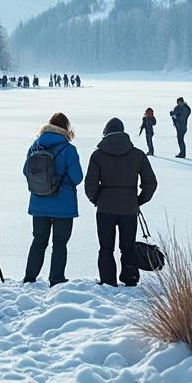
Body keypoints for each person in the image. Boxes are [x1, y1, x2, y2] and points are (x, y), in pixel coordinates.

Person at [84, 118, 158, 287]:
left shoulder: (97, 155)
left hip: (105, 209)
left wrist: (97, 200)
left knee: (106, 247)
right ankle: (130, 277)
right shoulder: (137, 154)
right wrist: (139, 200)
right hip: (129, 208)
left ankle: (108, 280)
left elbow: (90, 185)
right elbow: (151, 183)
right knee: (128, 246)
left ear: (105, 133)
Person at [22, 112, 84, 286]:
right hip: (63, 205)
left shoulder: (35, 146)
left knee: (38, 241)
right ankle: (56, 279)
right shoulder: (68, 149)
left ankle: (29, 278)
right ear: (66, 128)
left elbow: (26, 171)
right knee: (60, 243)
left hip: (39, 202)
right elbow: (77, 177)